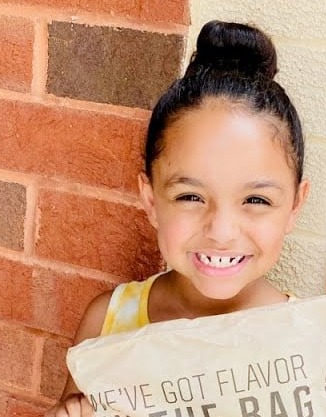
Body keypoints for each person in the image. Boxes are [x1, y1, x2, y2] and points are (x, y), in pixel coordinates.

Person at [48, 20, 310, 417]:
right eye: (190, 196)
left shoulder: (310, 344)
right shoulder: (109, 321)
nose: (221, 232)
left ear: (294, 206)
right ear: (151, 200)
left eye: (256, 199)